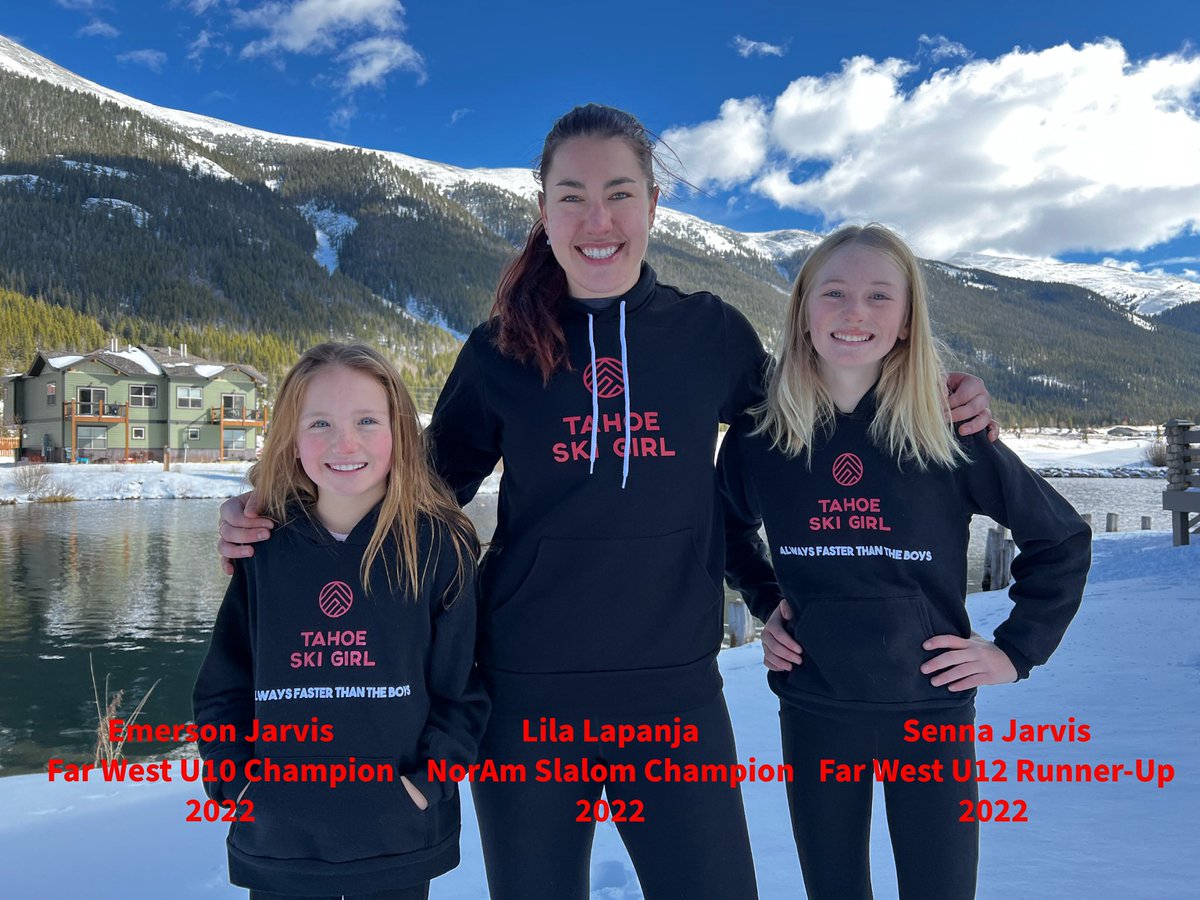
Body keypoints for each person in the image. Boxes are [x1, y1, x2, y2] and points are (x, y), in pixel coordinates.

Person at [217, 106, 995, 900]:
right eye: (573, 196)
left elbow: (814, 436)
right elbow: (412, 493)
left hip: (674, 697)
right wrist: (274, 516)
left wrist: (939, 394)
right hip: (526, 699)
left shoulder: (711, 335)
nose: (599, 220)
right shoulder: (499, 352)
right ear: (544, 212)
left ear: (654, 205)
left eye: (620, 194)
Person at [718, 224, 1091, 900]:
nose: (854, 312)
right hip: (815, 705)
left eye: (879, 296)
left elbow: (1060, 540)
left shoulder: (945, 429)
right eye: (832, 293)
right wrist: (767, 600)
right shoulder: (761, 433)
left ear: (907, 317)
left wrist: (1014, 652)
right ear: (802, 309)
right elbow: (726, 531)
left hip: (930, 712)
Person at [194, 342, 488, 900]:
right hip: (283, 839)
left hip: (396, 834)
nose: (344, 442)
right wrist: (237, 784)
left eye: (367, 420)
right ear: (291, 436)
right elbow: (222, 687)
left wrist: (427, 784)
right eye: (320, 423)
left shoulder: (437, 547)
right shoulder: (263, 547)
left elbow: (462, 692)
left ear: (400, 429)